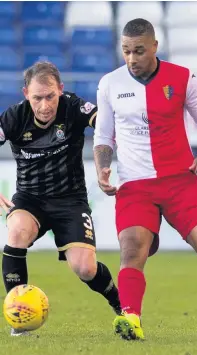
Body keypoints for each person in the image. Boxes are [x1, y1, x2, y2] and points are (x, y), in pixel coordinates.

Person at [93, 18, 197, 341]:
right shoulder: (109, 84)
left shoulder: (182, 78)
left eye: (139, 51)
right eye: (126, 51)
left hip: (180, 182)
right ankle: (131, 319)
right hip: (135, 185)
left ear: (155, 47)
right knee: (132, 250)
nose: (132, 58)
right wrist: (102, 167)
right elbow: (103, 136)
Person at [0, 61, 121, 336]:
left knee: (85, 268)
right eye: (37, 98)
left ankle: (120, 303)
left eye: (50, 96)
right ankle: (20, 320)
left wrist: (106, 164)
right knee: (16, 232)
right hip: (30, 199)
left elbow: (105, 125)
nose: (44, 105)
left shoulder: (74, 107)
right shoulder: (14, 117)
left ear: (61, 90)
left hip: (70, 200)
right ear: (25, 94)